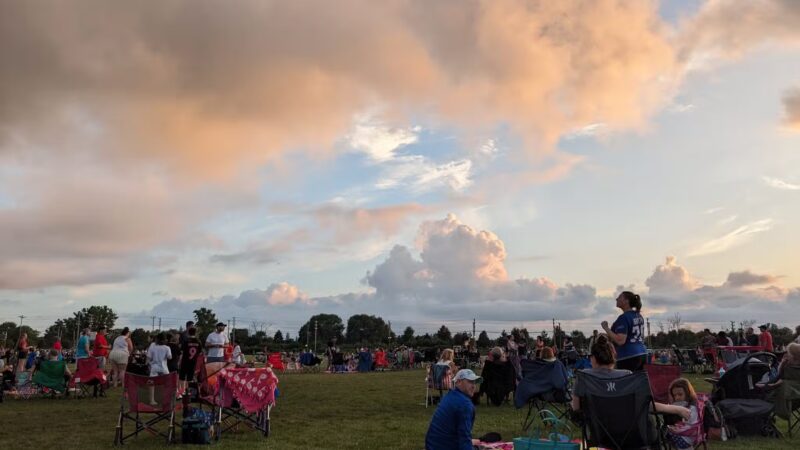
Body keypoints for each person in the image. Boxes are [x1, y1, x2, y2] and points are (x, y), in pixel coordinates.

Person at [571, 335, 690, 419]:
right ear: (613, 358)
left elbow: (576, 409)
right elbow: (647, 406)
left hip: (599, 437)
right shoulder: (626, 376)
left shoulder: (584, 376)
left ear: (593, 358)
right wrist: (678, 409)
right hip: (633, 437)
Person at [425, 369, 483, 450]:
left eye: (474, 382)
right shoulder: (465, 405)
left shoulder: (449, 396)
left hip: (432, 445)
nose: (473, 386)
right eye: (470, 382)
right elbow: (464, 438)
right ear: (458, 382)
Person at [602, 291, 647, 372]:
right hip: (642, 352)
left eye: (619, 297)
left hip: (628, 356)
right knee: (638, 383)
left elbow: (620, 341)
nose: (616, 299)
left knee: (626, 383)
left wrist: (606, 328)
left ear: (626, 301)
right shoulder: (638, 315)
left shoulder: (624, 317)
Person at [664, 378, 701, 449]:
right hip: (688, 436)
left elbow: (691, 424)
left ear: (687, 393)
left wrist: (676, 429)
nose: (677, 397)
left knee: (663, 432)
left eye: (680, 394)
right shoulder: (689, 404)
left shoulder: (690, 407)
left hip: (686, 439)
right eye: (674, 395)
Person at [146, 332, 172, 406]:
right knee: (166, 384)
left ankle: (152, 400)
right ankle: (165, 399)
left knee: (152, 384)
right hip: (164, 368)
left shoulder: (152, 346)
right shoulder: (167, 348)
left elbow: (149, 357)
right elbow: (169, 357)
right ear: (165, 340)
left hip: (154, 367)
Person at [178, 326, 201, 394]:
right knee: (190, 378)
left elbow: (182, 351)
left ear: (188, 333)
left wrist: (179, 361)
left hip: (185, 361)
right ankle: (188, 391)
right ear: (195, 333)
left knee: (182, 377)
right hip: (193, 361)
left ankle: (182, 391)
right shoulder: (198, 341)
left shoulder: (186, 341)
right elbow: (199, 352)